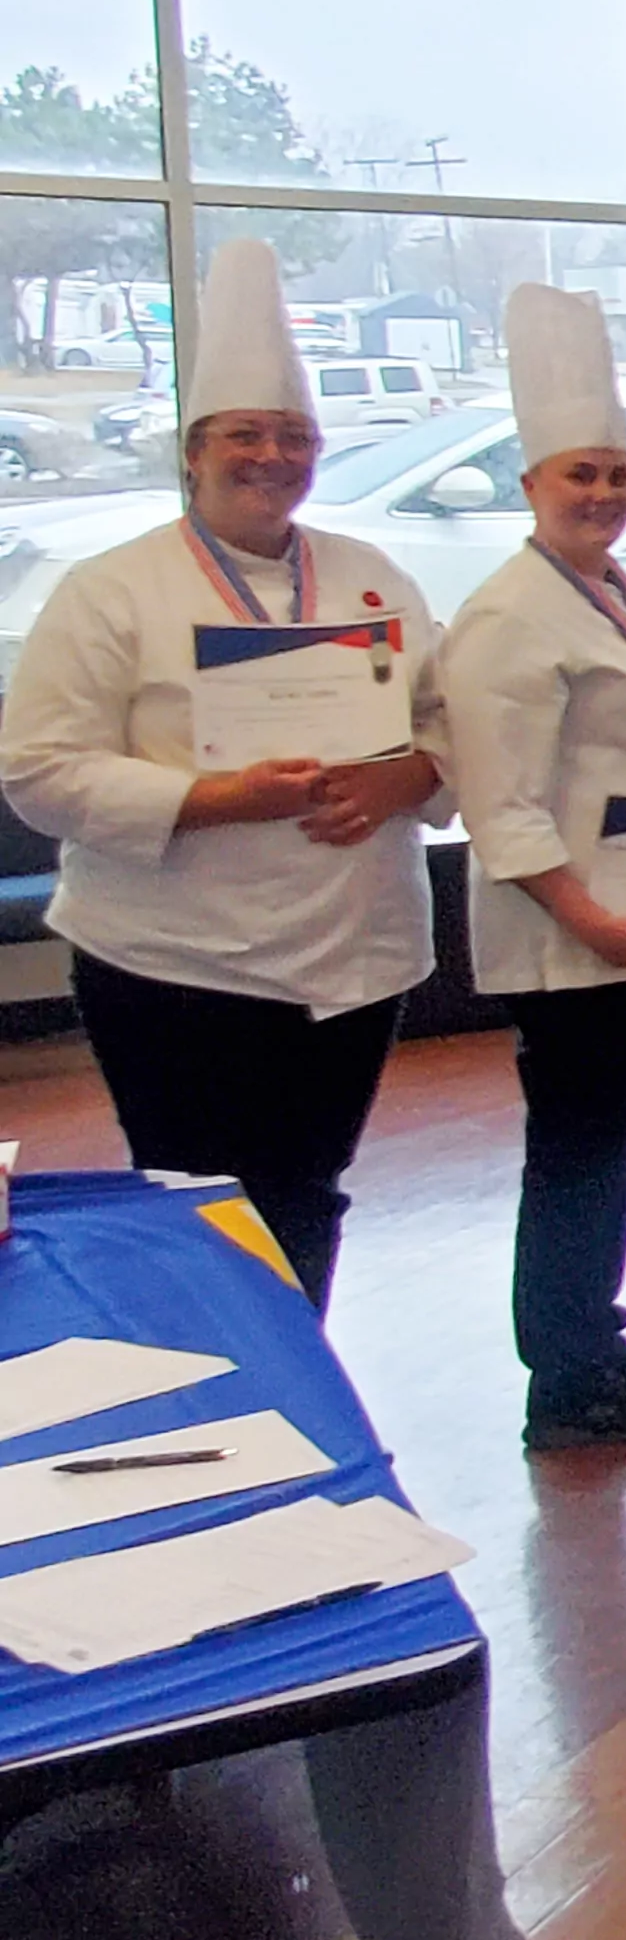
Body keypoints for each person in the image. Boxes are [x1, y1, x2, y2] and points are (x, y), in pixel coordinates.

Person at [0, 240, 448, 1311]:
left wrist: (408, 777)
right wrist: (221, 800)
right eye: (245, 434)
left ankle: (299, 1392)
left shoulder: (369, 574)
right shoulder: (110, 591)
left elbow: (448, 719)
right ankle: (220, 1410)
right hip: (174, 962)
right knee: (193, 1204)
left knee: (311, 1193)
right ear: (194, 453)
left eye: (292, 436)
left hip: (351, 953)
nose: (271, 455)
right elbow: (39, 769)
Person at [441, 283, 626, 1451]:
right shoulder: (509, 617)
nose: (605, 495)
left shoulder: (625, 598)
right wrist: (590, 916)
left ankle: (597, 1340)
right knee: (577, 1152)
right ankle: (562, 1380)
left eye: (617, 475)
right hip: (576, 940)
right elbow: (501, 801)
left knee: (619, 1146)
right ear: (530, 487)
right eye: (581, 476)